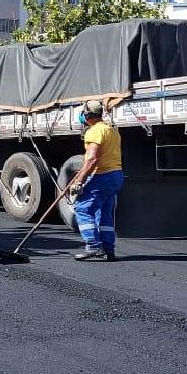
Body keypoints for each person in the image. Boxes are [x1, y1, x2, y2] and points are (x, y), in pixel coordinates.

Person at [64, 100, 123, 261]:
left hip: (103, 176)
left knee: (83, 209)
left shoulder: (94, 131)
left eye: (83, 113)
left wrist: (79, 181)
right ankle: (108, 249)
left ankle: (93, 246)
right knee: (103, 213)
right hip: (116, 176)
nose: (82, 116)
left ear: (88, 115)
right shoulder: (112, 130)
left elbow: (92, 159)